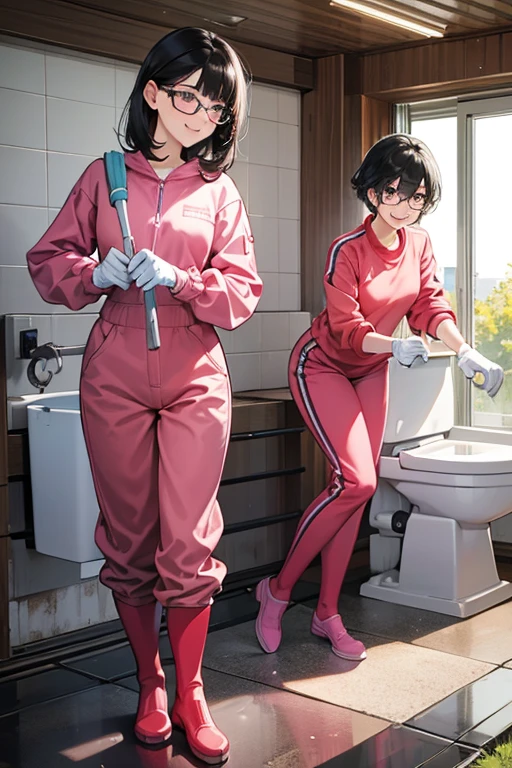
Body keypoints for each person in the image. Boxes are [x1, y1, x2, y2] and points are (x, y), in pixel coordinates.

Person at [27, 27, 261, 765]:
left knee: (188, 542)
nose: (199, 115)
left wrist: (184, 280)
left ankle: (192, 692)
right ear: (154, 93)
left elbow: (243, 293)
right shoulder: (104, 177)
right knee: (128, 541)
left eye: (215, 106)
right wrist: (95, 275)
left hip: (195, 370)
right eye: (188, 95)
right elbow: (49, 260)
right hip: (115, 365)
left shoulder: (220, 192)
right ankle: (150, 682)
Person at [254, 133, 503, 661]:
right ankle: (276, 592)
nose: (407, 205)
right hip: (322, 363)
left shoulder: (420, 244)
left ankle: (326, 615)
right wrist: (392, 345)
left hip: (372, 372)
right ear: (372, 192)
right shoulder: (347, 250)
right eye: (396, 191)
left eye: (417, 197)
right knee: (358, 479)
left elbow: (431, 306)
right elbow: (346, 329)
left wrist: (464, 352)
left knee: (354, 491)